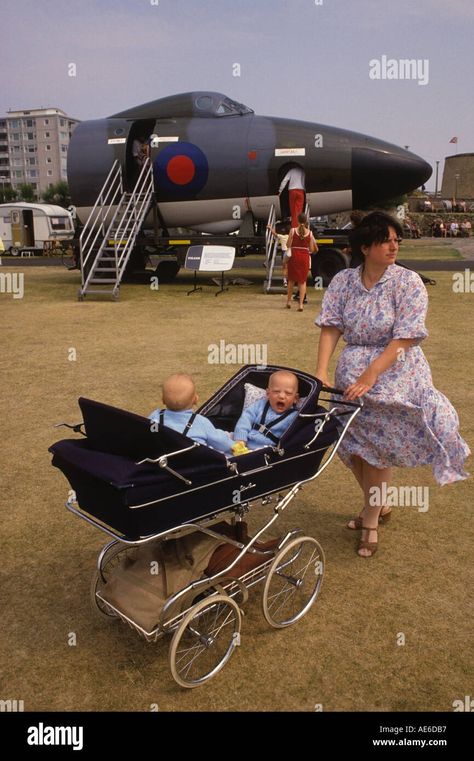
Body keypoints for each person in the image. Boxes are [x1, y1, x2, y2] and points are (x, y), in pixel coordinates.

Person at [314, 211, 470, 558]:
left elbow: (405, 338)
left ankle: (370, 521)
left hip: (396, 372)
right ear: (365, 247)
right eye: (387, 240)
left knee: (378, 450)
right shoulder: (342, 282)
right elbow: (331, 326)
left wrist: (371, 375)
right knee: (353, 448)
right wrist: (322, 370)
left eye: (397, 240)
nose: (394, 245)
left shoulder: (408, 282)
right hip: (350, 377)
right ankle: (379, 503)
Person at [149, 373, 234, 454]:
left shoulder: (155, 417)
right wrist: (233, 446)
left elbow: (150, 434)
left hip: (164, 463)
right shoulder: (200, 422)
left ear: (163, 399)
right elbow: (220, 441)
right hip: (195, 464)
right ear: (195, 400)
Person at [233, 370, 299, 450]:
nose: (281, 396)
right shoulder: (260, 405)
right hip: (242, 442)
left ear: (295, 398)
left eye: (288, 393)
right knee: (219, 435)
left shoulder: (294, 417)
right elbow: (245, 420)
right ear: (268, 394)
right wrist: (240, 439)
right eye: (276, 391)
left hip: (264, 450)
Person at [285, 213, 318, 311]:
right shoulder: (310, 233)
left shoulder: (293, 231)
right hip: (304, 257)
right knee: (302, 281)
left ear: (297, 220)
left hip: (294, 255)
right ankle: (300, 304)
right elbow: (311, 249)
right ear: (306, 221)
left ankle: (289, 301)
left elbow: (288, 245)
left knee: (291, 280)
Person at [267, 221, 290, 286]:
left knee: (284, 268)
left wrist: (270, 228)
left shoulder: (282, 237)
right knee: (289, 267)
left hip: (284, 252)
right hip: (290, 252)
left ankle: (285, 281)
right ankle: (290, 280)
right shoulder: (292, 237)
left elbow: (275, 234)